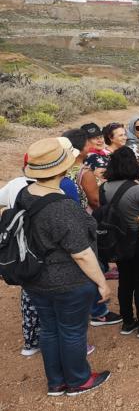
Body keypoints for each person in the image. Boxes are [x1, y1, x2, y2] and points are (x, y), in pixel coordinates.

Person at [18, 138, 111, 396]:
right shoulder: (62, 207)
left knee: (49, 329)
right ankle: (78, 380)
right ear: (61, 170)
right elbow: (81, 253)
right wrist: (102, 283)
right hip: (68, 281)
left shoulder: (25, 194)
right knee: (72, 331)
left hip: (36, 279)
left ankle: (56, 382)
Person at [0, 143, 82, 358]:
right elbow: (78, 247)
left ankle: (32, 344)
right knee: (65, 324)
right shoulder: (61, 195)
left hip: (26, 259)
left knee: (39, 313)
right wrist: (100, 282)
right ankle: (75, 376)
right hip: (56, 269)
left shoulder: (19, 189)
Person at [62, 129, 122, 327]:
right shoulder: (84, 173)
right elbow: (95, 201)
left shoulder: (62, 170)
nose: (92, 146)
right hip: (85, 222)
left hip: (64, 222)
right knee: (92, 263)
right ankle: (98, 312)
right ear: (79, 148)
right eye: (88, 143)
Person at [102, 146, 139, 338]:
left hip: (117, 242)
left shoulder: (104, 188)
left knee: (124, 281)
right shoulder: (138, 190)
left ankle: (127, 321)